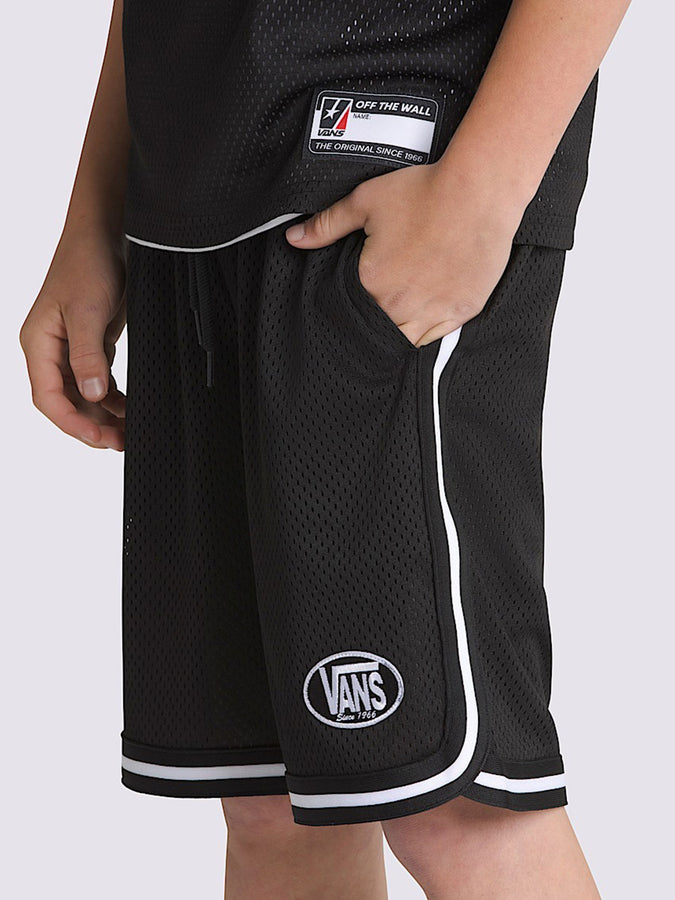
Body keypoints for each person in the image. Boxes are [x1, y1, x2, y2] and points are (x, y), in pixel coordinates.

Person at [19, 0, 632, 896]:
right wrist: (94, 214)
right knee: (269, 801)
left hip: (386, 169)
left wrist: (481, 188)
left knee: (452, 802)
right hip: (188, 199)